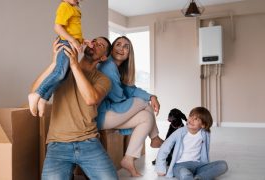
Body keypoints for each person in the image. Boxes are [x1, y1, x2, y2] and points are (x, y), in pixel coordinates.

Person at [31, 37, 119, 179]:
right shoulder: (61, 72)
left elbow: (91, 99)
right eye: (94, 41)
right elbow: (35, 90)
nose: (94, 44)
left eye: (100, 45)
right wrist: (54, 63)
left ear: (103, 57)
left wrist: (74, 65)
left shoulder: (103, 80)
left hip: (89, 142)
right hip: (58, 144)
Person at [96, 36, 163, 177]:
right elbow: (118, 97)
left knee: (146, 117)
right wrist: (145, 99)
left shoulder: (117, 69)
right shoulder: (108, 66)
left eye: (126, 46)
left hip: (111, 114)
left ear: (129, 54)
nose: (121, 48)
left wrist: (152, 96)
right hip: (100, 115)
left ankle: (128, 159)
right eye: (118, 44)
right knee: (142, 103)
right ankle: (155, 138)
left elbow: (131, 89)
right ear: (112, 48)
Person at [28, 0, 91, 117]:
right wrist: (72, 40)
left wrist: (81, 40)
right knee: (59, 73)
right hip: (66, 43)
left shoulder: (74, 8)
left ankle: (43, 98)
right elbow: (57, 27)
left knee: (64, 76)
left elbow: (73, 30)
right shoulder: (65, 6)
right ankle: (37, 94)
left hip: (71, 42)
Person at [156, 107, 228, 179]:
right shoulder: (179, 132)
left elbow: (207, 129)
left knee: (223, 165)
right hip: (180, 166)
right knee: (185, 174)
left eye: (196, 119)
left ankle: (199, 177)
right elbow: (164, 148)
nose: (191, 120)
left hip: (199, 165)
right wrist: (160, 168)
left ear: (203, 125)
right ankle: (194, 177)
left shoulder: (204, 134)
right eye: (190, 116)